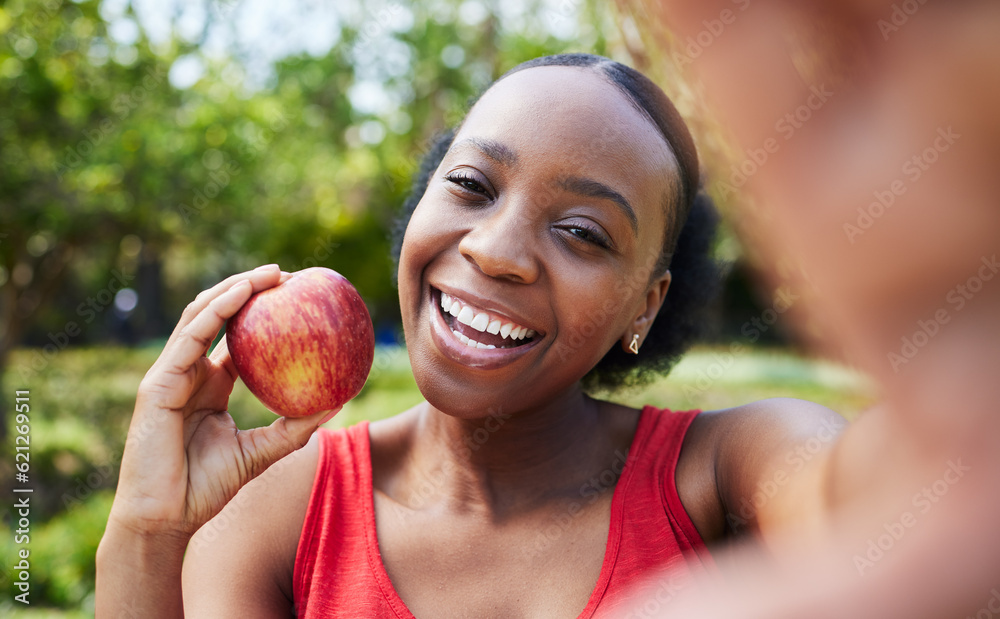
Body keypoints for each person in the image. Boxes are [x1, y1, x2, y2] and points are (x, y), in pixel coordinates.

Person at [96, 54, 851, 617]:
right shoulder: (281, 514)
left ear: (645, 308)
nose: (494, 249)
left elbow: (876, 504)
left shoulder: (725, 473)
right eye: (472, 186)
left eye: (583, 232)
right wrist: (148, 527)